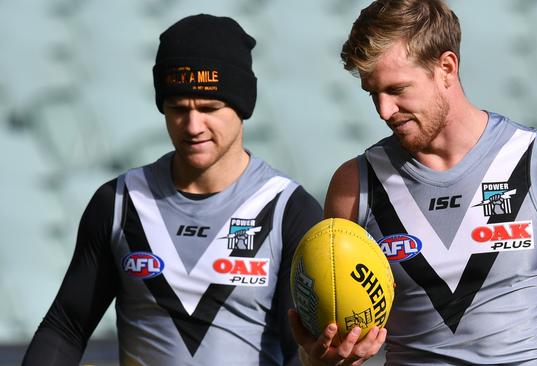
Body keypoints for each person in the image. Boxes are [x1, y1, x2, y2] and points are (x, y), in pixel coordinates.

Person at [290, 0, 537, 365]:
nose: (384, 111)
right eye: (374, 94)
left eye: (397, 89)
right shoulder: (354, 185)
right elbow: (331, 348)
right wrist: (325, 358)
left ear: (446, 68)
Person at [22, 14, 322, 366]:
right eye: (178, 109)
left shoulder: (289, 209)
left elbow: (299, 350)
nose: (193, 126)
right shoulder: (120, 202)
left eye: (209, 108)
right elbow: (66, 327)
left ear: (242, 107)